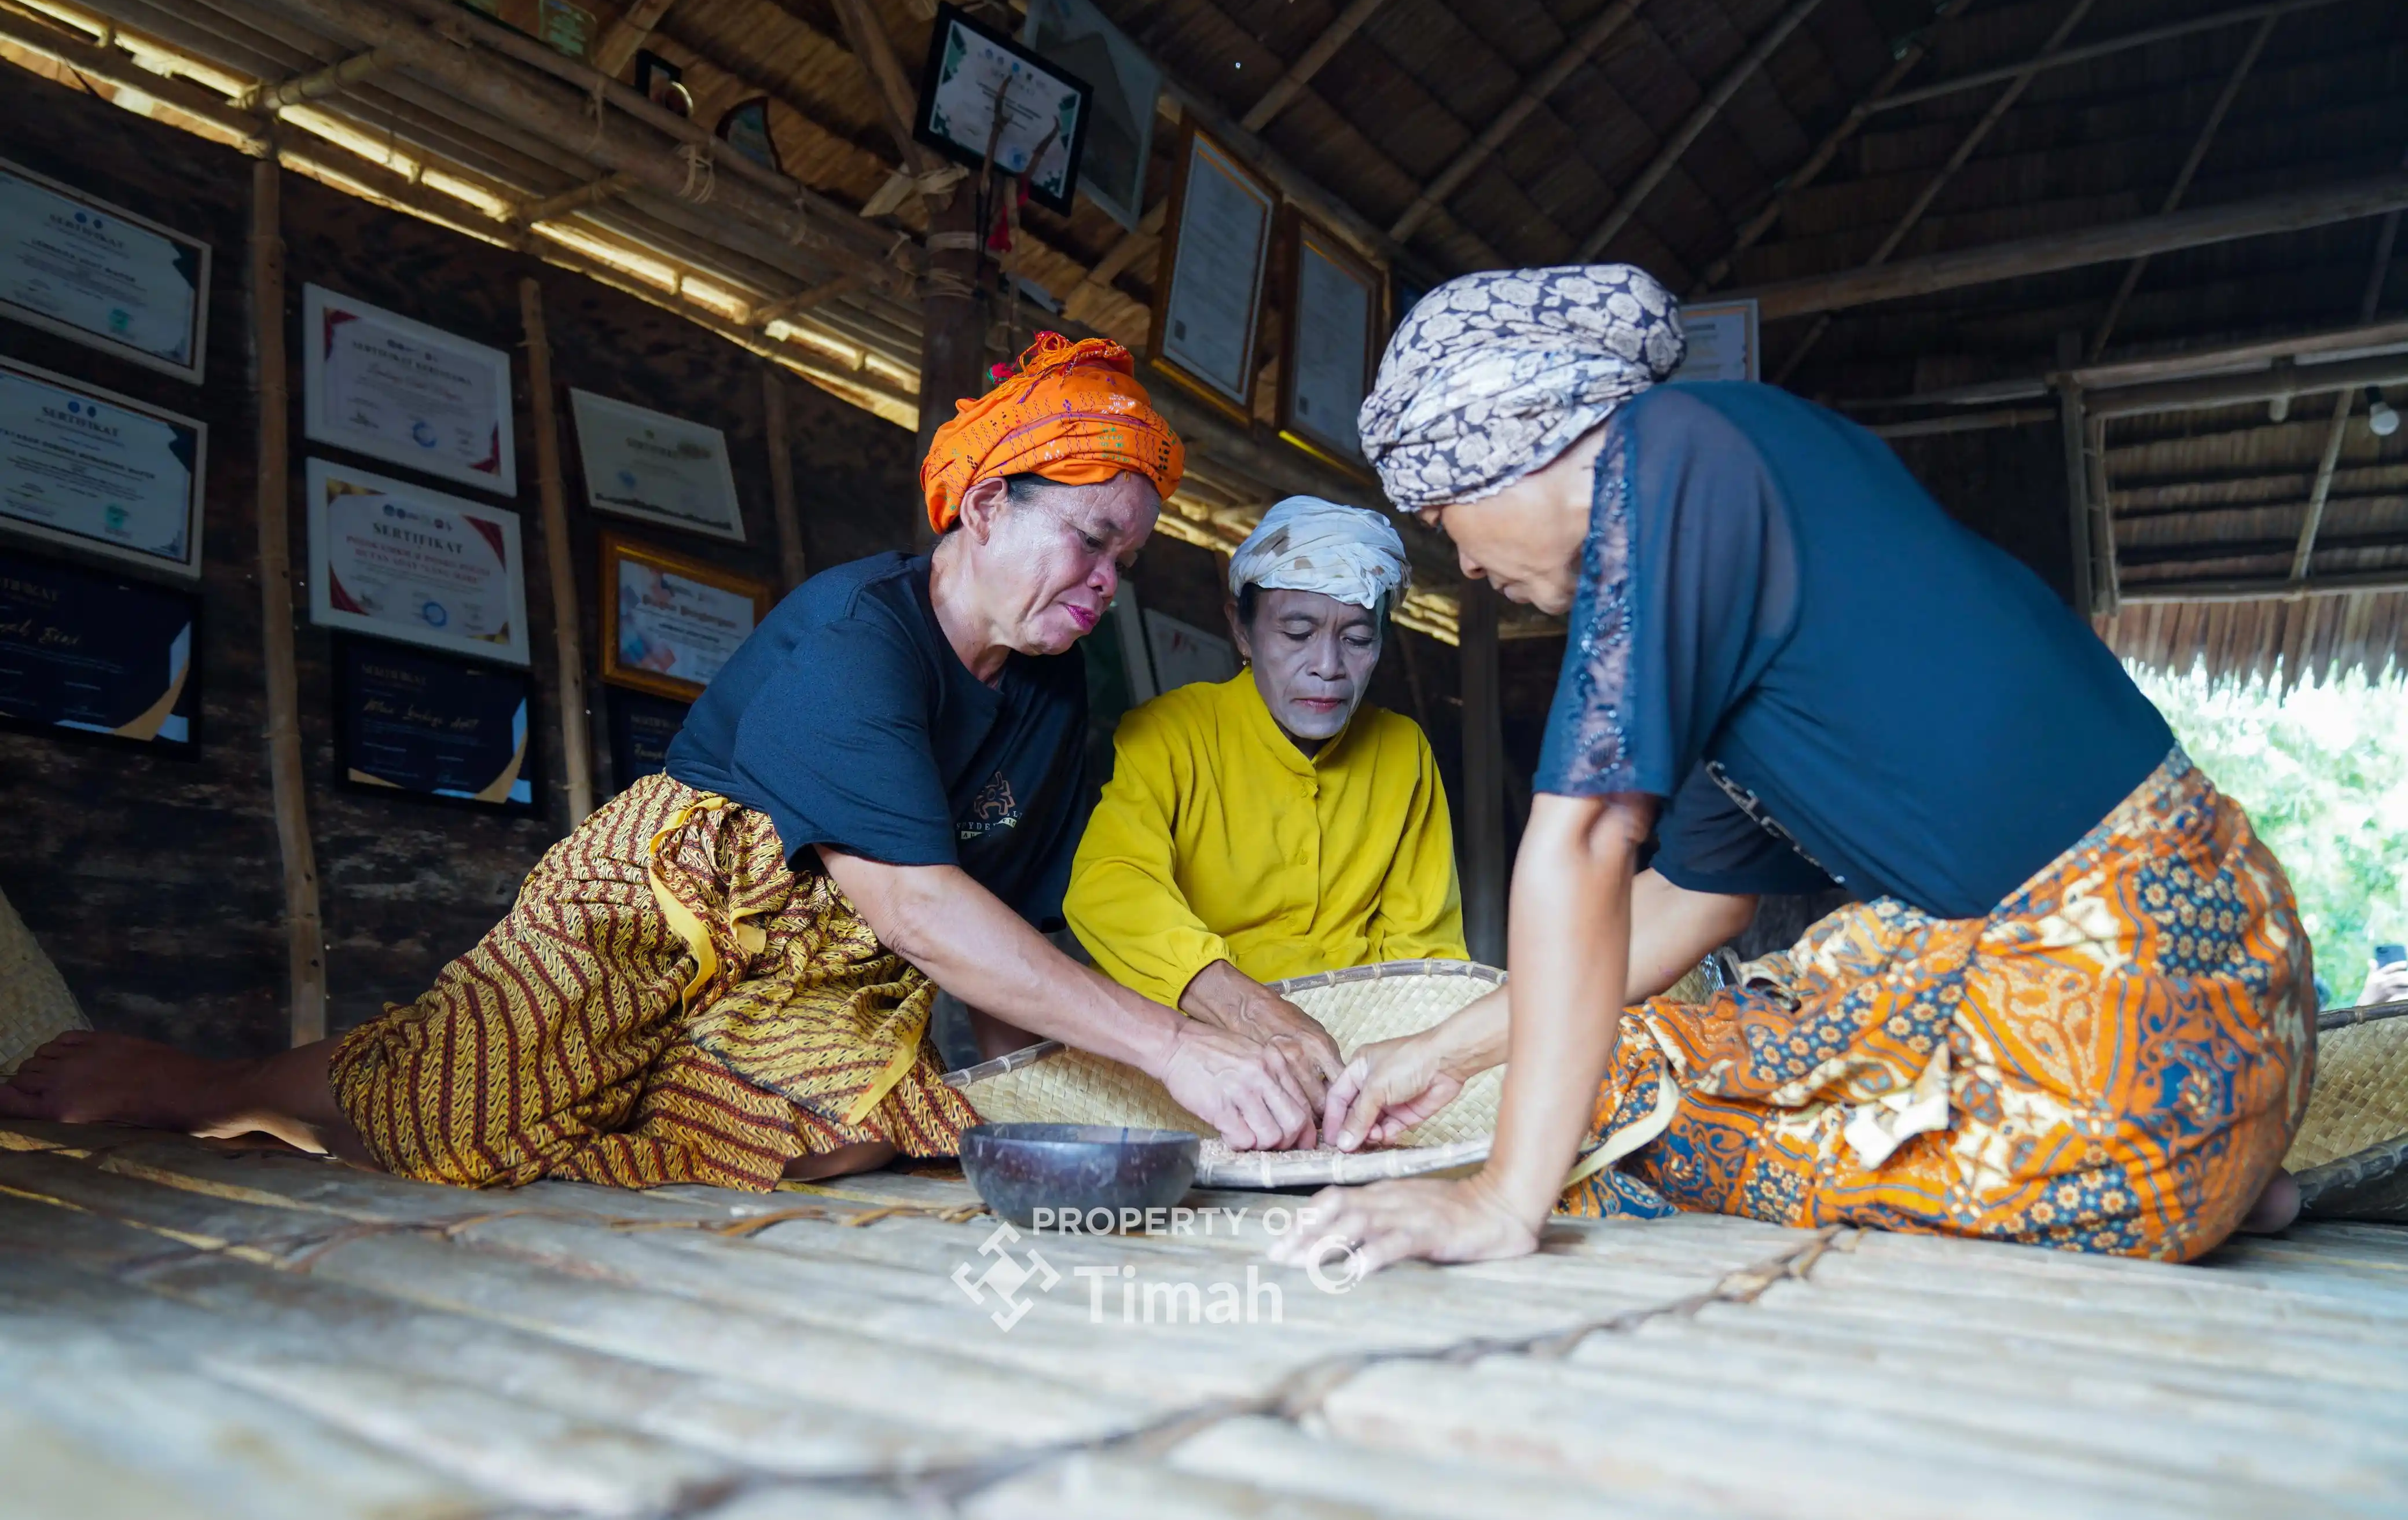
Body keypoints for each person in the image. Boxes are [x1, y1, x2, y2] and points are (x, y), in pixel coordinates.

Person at [0, 333, 1323, 1186]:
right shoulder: (853, 637)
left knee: (840, 1127)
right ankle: (210, 1086)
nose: (1105, 583)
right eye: (1088, 540)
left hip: (833, 957)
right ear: (983, 508)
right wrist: (1178, 1053)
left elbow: (1005, 940)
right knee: (447, 1116)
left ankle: (621, 1091)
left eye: (1127, 561)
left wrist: (1048, 1100)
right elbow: (921, 905)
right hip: (664, 898)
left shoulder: (1051, 700)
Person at [1270, 266, 2313, 1275]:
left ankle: (2161, 1166)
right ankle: (2216, 1151)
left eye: (1445, 516)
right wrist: (1444, 1052)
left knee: (1625, 1116)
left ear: (1512, 446)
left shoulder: (1672, 459)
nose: (1468, 566)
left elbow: (1582, 841)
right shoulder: (1740, 492)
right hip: (2221, 995)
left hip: (2122, 1016)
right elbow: (1689, 901)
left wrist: (1503, 1196)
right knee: (1643, 1048)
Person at [1066, 496, 1467, 1108]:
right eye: (1297, 632)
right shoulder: (1173, 733)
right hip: (1202, 1054)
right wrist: (1245, 1007)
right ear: (1240, 628)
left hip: (1355, 1061)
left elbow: (1423, 952)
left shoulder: (1402, 752)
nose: (1328, 668)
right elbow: (1109, 886)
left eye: (1358, 638)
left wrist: (1402, 1071)